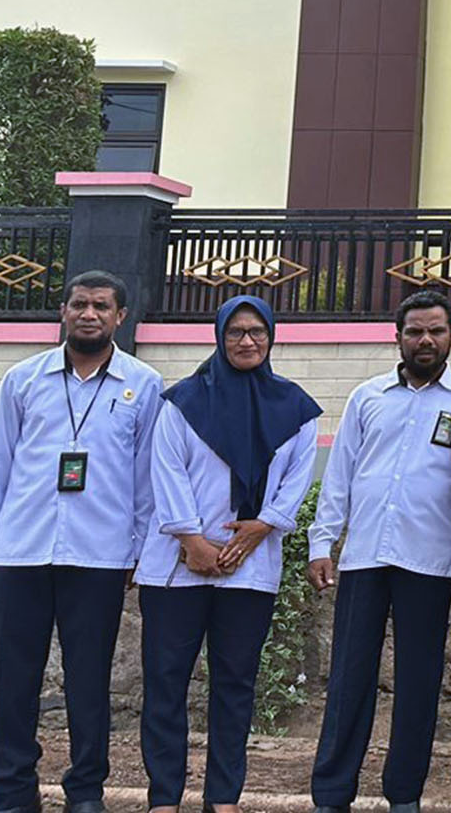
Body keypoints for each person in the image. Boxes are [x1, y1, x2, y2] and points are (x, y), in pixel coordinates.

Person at [0, 270, 165, 813]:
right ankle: (13, 790)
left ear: (120, 317)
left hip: (100, 555)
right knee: (16, 680)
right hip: (22, 550)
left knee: (89, 681)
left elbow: (146, 479)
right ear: (63, 312)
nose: (89, 314)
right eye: (79, 304)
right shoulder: (23, 380)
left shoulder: (144, 385)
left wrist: (140, 550)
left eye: (101, 306)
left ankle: (86, 790)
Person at [135, 294, 321, 813]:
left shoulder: (295, 408)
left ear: (271, 337)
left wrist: (263, 526)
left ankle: (223, 797)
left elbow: (297, 478)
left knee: (235, 684)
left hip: (249, 568)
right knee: (166, 681)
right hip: (177, 568)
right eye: (236, 332)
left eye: (257, 332)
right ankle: (164, 797)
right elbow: (166, 471)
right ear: (220, 337)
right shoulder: (182, 402)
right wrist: (191, 540)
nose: (247, 341)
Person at [308, 291, 451, 813]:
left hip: (427, 560)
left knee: (418, 682)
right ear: (397, 337)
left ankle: (404, 794)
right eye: (415, 331)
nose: (425, 340)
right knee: (348, 678)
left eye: (436, 331)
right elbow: (341, 475)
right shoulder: (368, 397)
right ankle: (331, 794)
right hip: (364, 557)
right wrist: (321, 541)